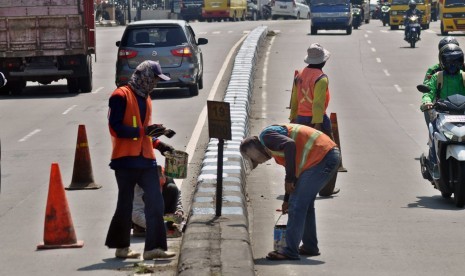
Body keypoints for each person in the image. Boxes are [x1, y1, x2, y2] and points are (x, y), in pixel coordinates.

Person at [105, 60, 177, 260]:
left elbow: (145, 130)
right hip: (125, 160)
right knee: (125, 204)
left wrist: (160, 144)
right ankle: (121, 247)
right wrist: (143, 131)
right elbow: (116, 128)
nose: (155, 83)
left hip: (145, 160)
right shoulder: (120, 96)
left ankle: (154, 248)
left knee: (156, 203)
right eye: (154, 79)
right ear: (144, 76)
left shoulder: (146, 97)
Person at [240, 123, 340, 260]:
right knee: (305, 204)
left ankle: (290, 251)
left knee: (297, 205)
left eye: (256, 159)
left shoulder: (267, 137)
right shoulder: (275, 148)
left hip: (322, 156)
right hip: (325, 156)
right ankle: (310, 246)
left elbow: (290, 145)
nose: (260, 162)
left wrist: (289, 183)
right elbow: (293, 173)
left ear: (255, 151)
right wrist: (286, 200)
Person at [289, 43, 339, 196]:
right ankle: (326, 188)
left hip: (300, 119)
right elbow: (318, 104)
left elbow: (294, 99)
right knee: (331, 154)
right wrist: (317, 125)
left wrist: (293, 118)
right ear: (323, 62)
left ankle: (296, 185)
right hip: (317, 120)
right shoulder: (321, 78)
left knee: (301, 156)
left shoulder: (300, 74)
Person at [421, 44, 465, 173]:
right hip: (442, 113)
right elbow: (428, 93)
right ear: (442, 62)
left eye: (456, 61)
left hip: (462, 113)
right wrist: (427, 102)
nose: (453, 65)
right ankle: (433, 163)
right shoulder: (437, 77)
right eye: (449, 61)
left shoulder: (463, 76)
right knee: (433, 130)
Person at [132, 165, 184, 238]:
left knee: (172, 188)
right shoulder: (139, 184)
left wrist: (179, 210)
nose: (159, 189)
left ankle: (169, 222)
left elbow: (177, 195)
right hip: (141, 212)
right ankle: (140, 227)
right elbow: (136, 213)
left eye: (161, 185)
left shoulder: (167, 176)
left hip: (158, 212)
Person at [422, 37, 460, 128]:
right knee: (433, 125)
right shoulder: (435, 72)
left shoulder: (463, 73)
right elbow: (428, 89)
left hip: (461, 108)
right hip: (441, 107)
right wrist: (427, 102)